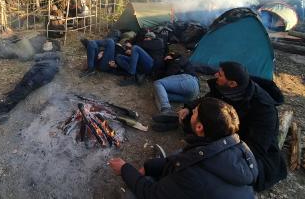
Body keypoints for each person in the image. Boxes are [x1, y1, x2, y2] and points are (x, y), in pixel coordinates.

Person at [109, 97, 258, 199]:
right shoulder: (236, 146)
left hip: (195, 185)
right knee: (179, 154)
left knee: (130, 194)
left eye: (194, 113)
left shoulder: (194, 175)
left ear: (199, 127)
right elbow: (187, 158)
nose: (191, 113)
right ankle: (164, 172)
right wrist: (150, 166)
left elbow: (151, 195)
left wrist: (125, 169)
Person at [178, 61, 287, 192]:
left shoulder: (264, 108)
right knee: (189, 120)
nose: (215, 74)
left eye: (220, 74)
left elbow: (257, 146)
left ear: (232, 83)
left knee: (227, 173)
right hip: (227, 130)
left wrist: (223, 148)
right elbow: (209, 101)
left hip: (248, 146)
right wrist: (189, 107)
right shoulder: (226, 87)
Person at [151, 53, 200, 132]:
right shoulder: (172, 63)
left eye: (167, 56)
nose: (165, 58)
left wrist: (170, 61)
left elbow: (170, 72)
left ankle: (166, 110)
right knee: (158, 94)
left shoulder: (179, 59)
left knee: (158, 83)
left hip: (190, 81)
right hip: (189, 96)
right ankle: (172, 121)